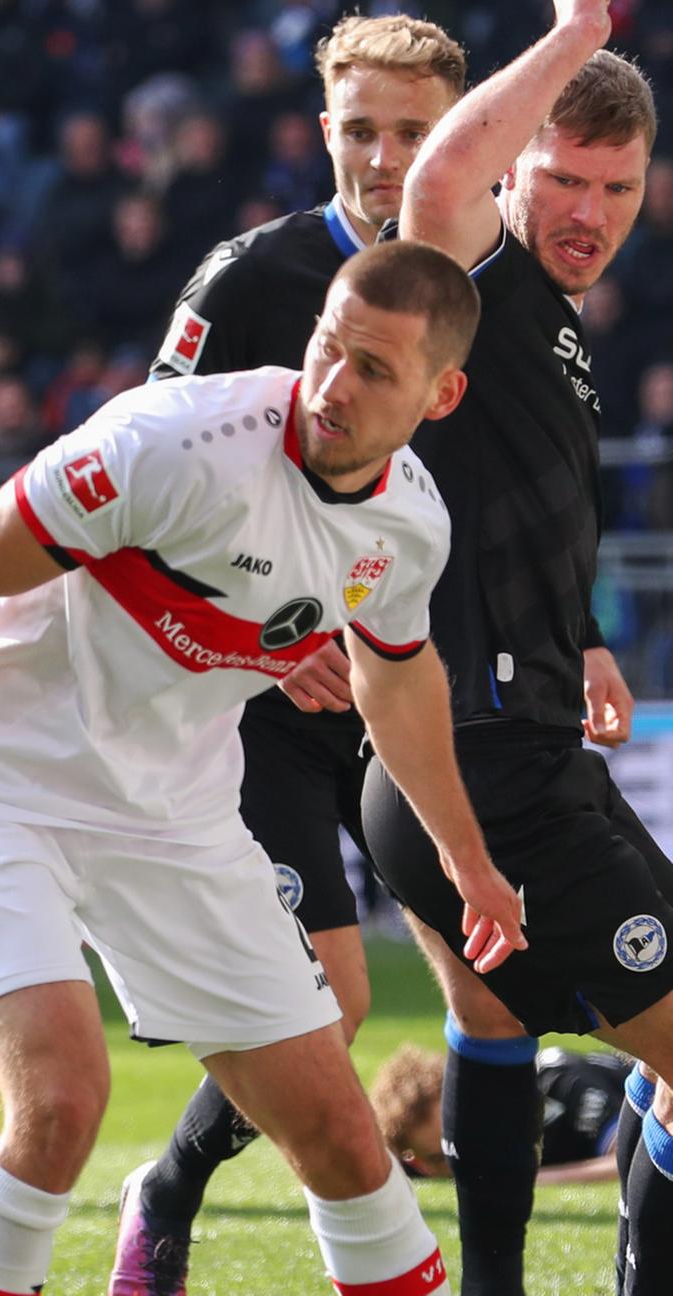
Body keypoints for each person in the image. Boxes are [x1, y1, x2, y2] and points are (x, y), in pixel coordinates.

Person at [0, 239, 526, 1296]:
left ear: (443, 393)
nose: (333, 387)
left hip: (176, 816)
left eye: (375, 371)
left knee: (344, 1138)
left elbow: (398, 680)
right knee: (61, 1102)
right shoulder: (178, 442)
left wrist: (468, 863)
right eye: (328, 350)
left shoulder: (409, 526)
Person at [113, 16, 466, 1294]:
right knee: (337, 996)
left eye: (413, 133)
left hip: (411, 679)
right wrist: (266, 643)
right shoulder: (245, 277)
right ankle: (171, 1187)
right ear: (322, 128)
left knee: (480, 989)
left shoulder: (490, 283)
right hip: (259, 694)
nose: (383, 157)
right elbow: (138, 482)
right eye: (360, 128)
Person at [358, 5, 671, 1293]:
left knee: (577, 1039)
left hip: (521, 750)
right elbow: (435, 181)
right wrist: (577, 31)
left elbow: (497, 516)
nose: (590, 209)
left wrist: (582, 637)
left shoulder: (551, 324)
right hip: (483, 767)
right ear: (513, 176)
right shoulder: (472, 286)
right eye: (562, 179)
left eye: (619, 185)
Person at [371, 1043, 632, 1186]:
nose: (463, 1159)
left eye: (462, 1138)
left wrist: (528, 1182)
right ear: (419, 1164)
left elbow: (626, 1160)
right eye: (442, 1158)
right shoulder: (413, 1166)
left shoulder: (556, 1082)